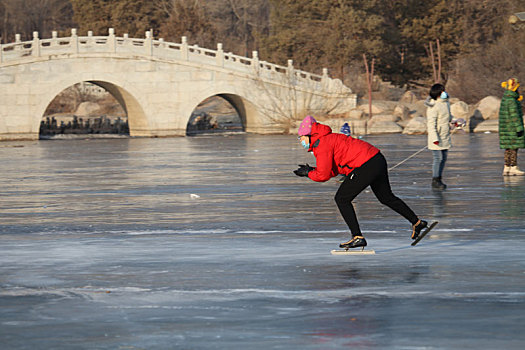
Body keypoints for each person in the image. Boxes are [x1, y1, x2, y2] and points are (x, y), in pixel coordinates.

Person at [293, 115, 428, 249]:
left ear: (310, 135)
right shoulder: (328, 139)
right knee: (386, 197)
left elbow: (323, 175)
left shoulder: (322, 144)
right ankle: (417, 222)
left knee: (342, 199)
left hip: (365, 164)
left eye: (301, 137)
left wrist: (308, 173)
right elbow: (332, 170)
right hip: (377, 159)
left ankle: (357, 237)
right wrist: (312, 170)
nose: (301, 141)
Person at [425, 83, 452, 190]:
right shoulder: (433, 106)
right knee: (438, 158)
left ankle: (439, 178)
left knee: (443, 158)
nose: (444, 93)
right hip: (436, 137)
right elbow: (431, 124)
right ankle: (435, 180)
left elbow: (448, 117)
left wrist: (455, 121)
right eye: (442, 91)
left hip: (445, 135)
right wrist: (435, 138)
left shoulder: (446, 104)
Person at [499, 78, 525, 176]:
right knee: (514, 148)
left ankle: (507, 167)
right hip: (512, 128)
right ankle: (513, 167)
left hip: (506, 128)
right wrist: (519, 128)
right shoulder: (511, 101)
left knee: (508, 148)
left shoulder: (505, 99)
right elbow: (515, 115)